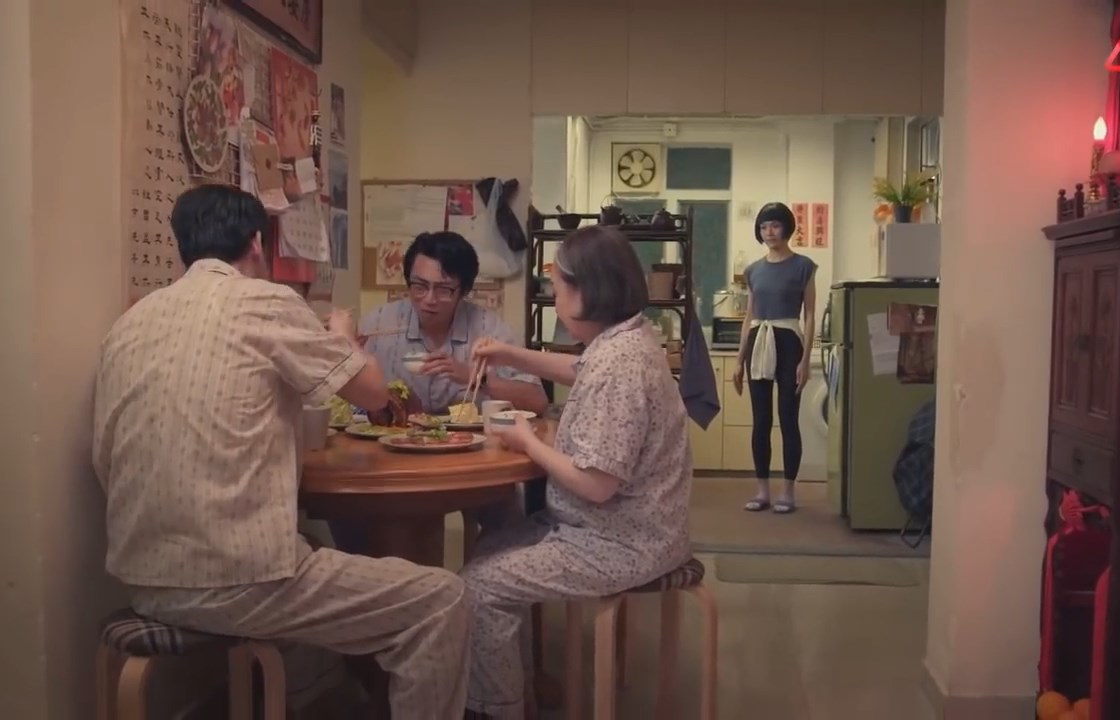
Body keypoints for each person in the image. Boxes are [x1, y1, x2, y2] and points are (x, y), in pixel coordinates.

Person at [92, 185, 468, 719]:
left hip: (142, 575)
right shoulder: (266, 301)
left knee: (308, 544)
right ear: (256, 242)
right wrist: (343, 335)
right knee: (442, 600)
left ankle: (310, 697)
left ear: (182, 246)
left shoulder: (129, 322)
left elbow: (103, 459)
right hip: (234, 583)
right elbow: (372, 394)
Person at [459, 225, 693, 720]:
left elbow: (596, 485)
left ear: (587, 290)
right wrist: (508, 354)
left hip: (621, 541)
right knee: (490, 548)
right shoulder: (625, 341)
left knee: (479, 585)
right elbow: (575, 370)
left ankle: (496, 709)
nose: (554, 292)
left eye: (559, 283)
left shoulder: (618, 367)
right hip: (631, 528)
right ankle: (514, 692)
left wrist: (525, 441)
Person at [358, 231, 548, 416]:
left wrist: (477, 379)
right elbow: (349, 403)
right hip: (394, 435)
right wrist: (347, 356)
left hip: (472, 437)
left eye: (443, 289)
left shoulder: (489, 329)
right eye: (420, 286)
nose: (429, 299)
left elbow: (537, 402)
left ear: (464, 291)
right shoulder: (377, 323)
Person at [732, 202, 818, 514]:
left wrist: (805, 360)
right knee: (761, 421)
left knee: (788, 418)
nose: (769, 232)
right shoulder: (753, 271)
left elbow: (810, 316)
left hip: (789, 341)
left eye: (775, 225)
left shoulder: (803, 266)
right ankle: (762, 490)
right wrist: (739, 360)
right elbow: (749, 316)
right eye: (764, 227)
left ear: (787, 229)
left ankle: (788, 491)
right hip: (758, 341)